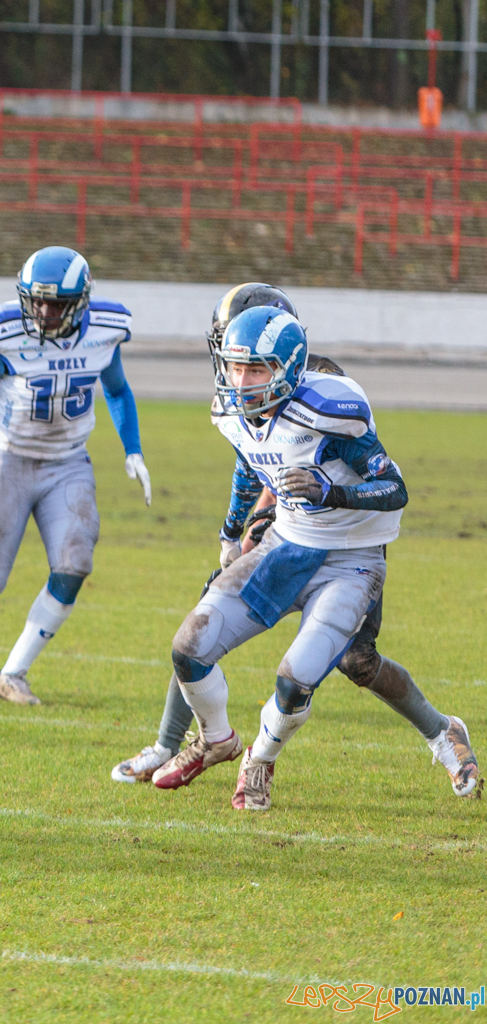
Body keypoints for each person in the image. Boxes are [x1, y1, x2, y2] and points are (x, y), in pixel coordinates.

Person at [111, 285, 478, 799]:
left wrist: (329, 493)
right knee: (196, 633)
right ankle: (188, 742)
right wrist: (234, 530)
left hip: (349, 550)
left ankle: (429, 734)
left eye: (252, 366)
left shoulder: (328, 398)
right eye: (231, 360)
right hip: (287, 539)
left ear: (285, 359)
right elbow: (253, 461)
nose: (238, 377)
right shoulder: (233, 405)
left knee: (350, 662)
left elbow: (389, 484)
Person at [0, 246, 151, 705]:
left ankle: (12, 673)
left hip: (68, 463)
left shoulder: (103, 332)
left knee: (75, 564)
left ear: (80, 303)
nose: (44, 313)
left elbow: (117, 390)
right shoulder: (8, 336)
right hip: (10, 461)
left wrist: (132, 450)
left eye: (56, 304)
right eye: (36, 301)